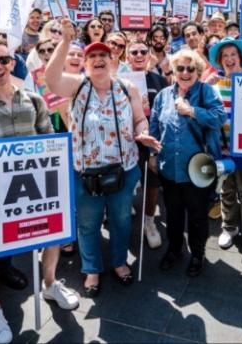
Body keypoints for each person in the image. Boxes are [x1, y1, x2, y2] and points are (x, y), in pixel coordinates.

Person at [0, 37, 78, 344]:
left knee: (53, 239)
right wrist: (11, 182)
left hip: (41, 195)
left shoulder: (34, 101)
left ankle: (50, 284)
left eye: (3, 59)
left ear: (12, 62)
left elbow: (50, 143)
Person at [42, 19, 161, 298]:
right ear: (85, 64)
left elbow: (140, 119)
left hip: (124, 170)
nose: (98, 60)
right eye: (92, 56)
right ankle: (92, 269)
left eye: (103, 55)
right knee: (88, 224)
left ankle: (119, 263)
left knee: (121, 221)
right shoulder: (76, 87)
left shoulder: (127, 88)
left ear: (113, 60)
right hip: (86, 174)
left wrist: (142, 133)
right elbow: (50, 79)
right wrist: (65, 42)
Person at [149, 49, 226, 276]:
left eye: (190, 68)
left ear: (198, 71)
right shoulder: (163, 95)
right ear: (173, 71)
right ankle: (174, 249)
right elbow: (154, 124)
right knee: (172, 213)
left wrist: (192, 111)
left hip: (198, 168)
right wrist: (153, 153)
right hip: (169, 168)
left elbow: (219, 117)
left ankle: (197, 253)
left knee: (197, 215)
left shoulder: (206, 91)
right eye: (180, 68)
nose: (185, 72)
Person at [204, 37, 242, 259]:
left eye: (233, 54)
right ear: (220, 60)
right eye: (225, 56)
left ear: (240, 57)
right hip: (221, 149)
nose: (229, 59)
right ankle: (229, 227)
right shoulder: (213, 82)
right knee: (226, 190)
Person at [123, 40, 170, 249]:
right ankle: (121, 224)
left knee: (152, 183)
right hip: (124, 141)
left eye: (143, 51)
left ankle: (150, 222)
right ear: (127, 57)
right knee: (123, 185)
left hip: (150, 140)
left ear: (149, 56)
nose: (139, 55)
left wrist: (154, 150)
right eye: (134, 52)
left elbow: (165, 114)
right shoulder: (117, 81)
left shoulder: (159, 80)